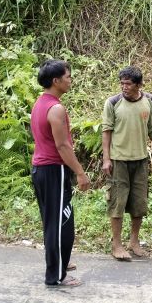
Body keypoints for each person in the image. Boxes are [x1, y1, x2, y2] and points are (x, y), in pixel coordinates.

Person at [30, 59, 91, 288]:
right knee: (61, 224)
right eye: (67, 76)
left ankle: (59, 264)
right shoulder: (56, 108)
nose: (70, 80)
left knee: (55, 222)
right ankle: (55, 276)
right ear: (56, 81)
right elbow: (63, 146)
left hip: (42, 169)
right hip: (54, 170)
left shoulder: (40, 103)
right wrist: (80, 173)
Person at [101, 66, 152, 261]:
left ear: (139, 84)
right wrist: (106, 159)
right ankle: (116, 245)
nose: (124, 87)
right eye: (122, 83)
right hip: (118, 160)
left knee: (139, 203)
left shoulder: (150, 101)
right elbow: (106, 131)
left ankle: (134, 242)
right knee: (117, 203)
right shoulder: (113, 103)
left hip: (140, 160)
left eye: (128, 84)